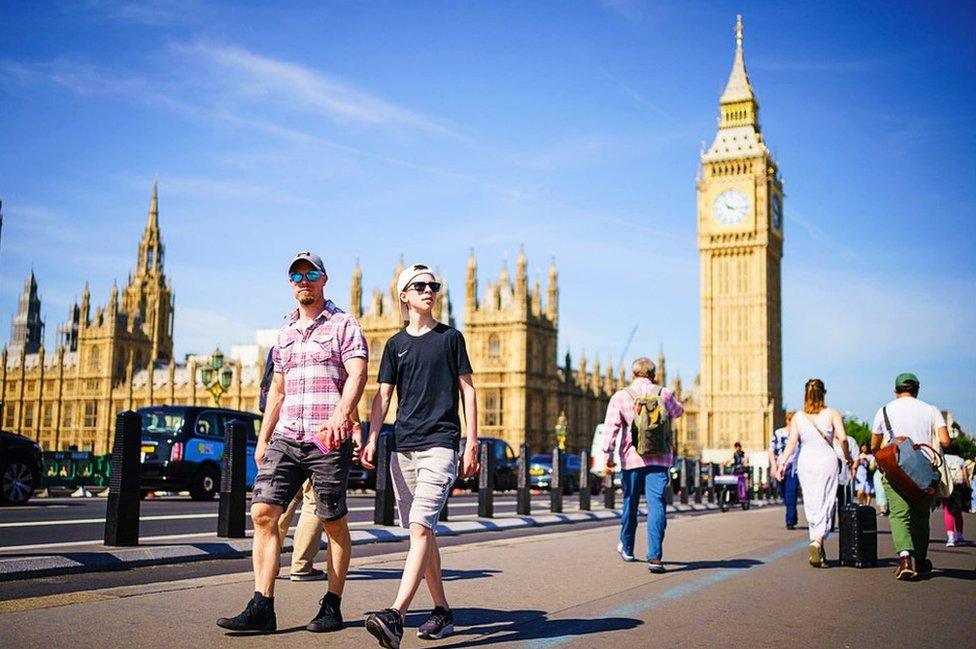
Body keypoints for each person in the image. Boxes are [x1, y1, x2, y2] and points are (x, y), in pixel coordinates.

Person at [217, 252, 368, 633]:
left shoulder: (343, 325)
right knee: (263, 513)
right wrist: (264, 436)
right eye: (297, 275)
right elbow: (278, 390)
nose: (304, 280)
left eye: (310, 273)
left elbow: (358, 373)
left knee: (332, 520)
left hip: (326, 438)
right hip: (288, 434)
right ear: (290, 283)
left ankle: (331, 604)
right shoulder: (283, 333)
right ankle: (262, 605)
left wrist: (343, 413)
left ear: (323, 279)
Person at [362, 263, 479, 648]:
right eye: (420, 285)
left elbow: (469, 391)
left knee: (419, 527)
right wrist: (373, 437)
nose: (429, 290)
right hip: (404, 449)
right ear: (405, 296)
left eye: (433, 285)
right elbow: (382, 396)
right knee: (423, 532)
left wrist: (472, 441)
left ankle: (395, 615)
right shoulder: (395, 344)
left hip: (441, 445)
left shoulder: (451, 338)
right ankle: (443, 611)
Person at [602, 357, 684, 573]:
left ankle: (627, 548)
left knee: (631, 502)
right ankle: (655, 557)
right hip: (659, 459)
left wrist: (608, 454)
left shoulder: (621, 396)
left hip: (632, 459)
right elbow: (678, 412)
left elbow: (611, 428)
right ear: (653, 375)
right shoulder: (663, 393)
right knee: (656, 504)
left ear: (632, 375)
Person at [870, 372, 950, 581]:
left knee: (899, 515)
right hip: (923, 472)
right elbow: (945, 441)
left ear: (895, 390)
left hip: (896, 471)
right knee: (921, 518)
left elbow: (874, 445)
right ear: (917, 390)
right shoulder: (931, 410)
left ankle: (905, 559)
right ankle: (921, 561)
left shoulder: (884, 410)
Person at [776, 378, 853, 567]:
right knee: (826, 503)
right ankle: (818, 541)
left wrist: (782, 464)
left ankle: (817, 546)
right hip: (826, 460)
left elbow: (792, 444)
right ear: (824, 393)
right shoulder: (832, 413)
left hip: (806, 462)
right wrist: (848, 456)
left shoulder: (798, 417)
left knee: (812, 504)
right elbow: (842, 438)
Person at [768, 411, 798, 529]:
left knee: (791, 492)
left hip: (794, 469)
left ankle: (790, 520)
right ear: (787, 420)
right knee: (784, 494)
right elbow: (771, 449)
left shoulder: (799, 434)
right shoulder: (779, 433)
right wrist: (774, 466)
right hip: (780, 468)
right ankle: (792, 514)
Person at [942, 441, 970, 547]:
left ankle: (950, 538)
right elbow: (965, 476)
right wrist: (967, 487)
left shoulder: (943, 458)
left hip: (947, 486)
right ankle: (960, 535)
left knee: (947, 511)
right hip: (958, 487)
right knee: (958, 512)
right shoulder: (960, 460)